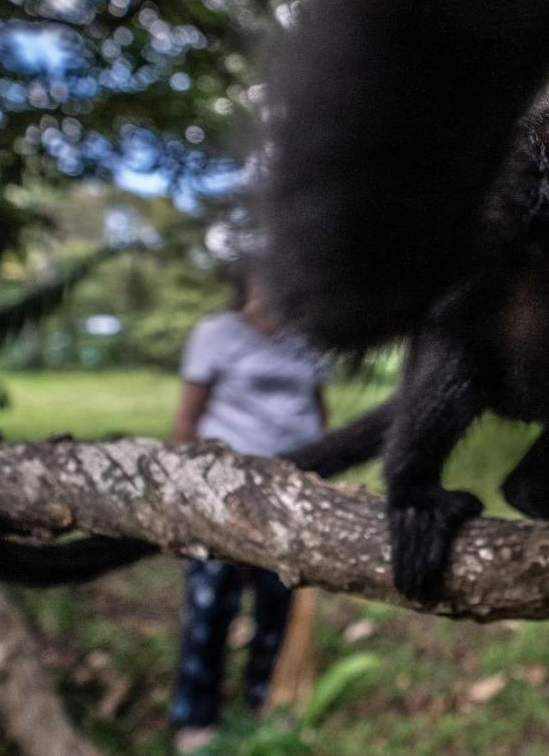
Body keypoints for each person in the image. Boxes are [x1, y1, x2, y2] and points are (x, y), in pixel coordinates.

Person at [168, 265, 329, 753]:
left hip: (293, 493)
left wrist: (322, 473)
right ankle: (195, 716)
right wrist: (191, 489)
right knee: (211, 601)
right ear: (249, 282)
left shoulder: (310, 340)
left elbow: (320, 412)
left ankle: (268, 701)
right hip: (225, 494)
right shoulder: (216, 335)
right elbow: (186, 420)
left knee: (278, 601)